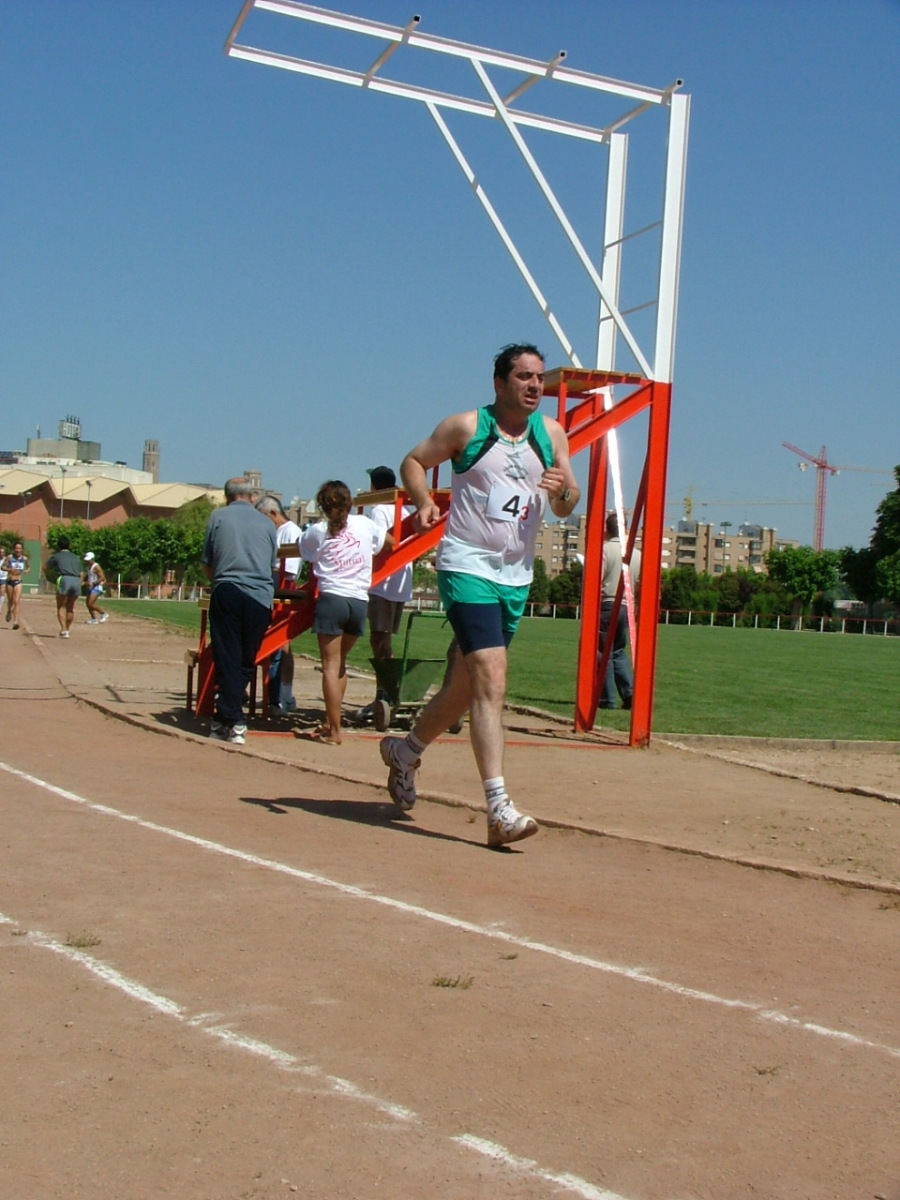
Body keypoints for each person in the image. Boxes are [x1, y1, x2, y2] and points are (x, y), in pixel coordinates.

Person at [380, 342, 579, 848]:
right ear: (499, 383)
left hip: (516, 575)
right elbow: (413, 461)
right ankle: (499, 809)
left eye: (539, 377)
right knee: (492, 677)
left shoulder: (551, 433)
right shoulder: (466, 427)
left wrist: (562, 491)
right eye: (524, 376)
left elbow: (566, 503)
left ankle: (405, 752)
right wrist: (423, 501)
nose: (534, 385)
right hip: (467, 564)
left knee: (465, 687)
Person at [300, 480, 385, 744]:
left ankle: (335, 730)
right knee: (340, 663)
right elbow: (387, 541)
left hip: (332, 599)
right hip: (359, 601)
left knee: (330, 666)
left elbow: (304, 551)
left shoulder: (318, 530)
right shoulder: (365, 524)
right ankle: (331, 722)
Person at [201, 477, 278, 746]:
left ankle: (229, 718)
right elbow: (271, 565)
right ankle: (231, 720)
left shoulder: (218, 517)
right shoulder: (267, 524)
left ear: (227, 496)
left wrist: (219, 580)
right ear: (252, 496)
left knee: (227, 656)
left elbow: (207, 561)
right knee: (246, 658)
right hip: (259, 596)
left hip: (228, 589)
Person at [363, 465, 415, 720]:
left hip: (383, 583)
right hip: (400, 584)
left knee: (379, 641)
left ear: (374, 486)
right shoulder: (405, 509)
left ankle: (384, 694)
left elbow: (379, 542)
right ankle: (386, 692)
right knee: (385, 641)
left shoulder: (379, 510)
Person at [255, 495, 303, 713]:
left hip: (282, 586)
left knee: (281, 645)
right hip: (273, 584)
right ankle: (278, 696)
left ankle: (282, 696)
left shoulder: (291, 531)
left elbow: (289, 570)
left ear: (274, 513)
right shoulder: (274, 531)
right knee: (280, 646)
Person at [599, 512, 642, 710]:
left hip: (607, 604)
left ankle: (607, 698)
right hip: (627, 606)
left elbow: (597, 578)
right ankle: (629, 692)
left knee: (603, 652)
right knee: (617, 650)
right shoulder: (636, 553)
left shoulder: (605, 549)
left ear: (607, 529)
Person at [44, 536, 83, 638]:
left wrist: (52, 575)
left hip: (65, 579)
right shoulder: (75, 557)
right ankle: (67, 630)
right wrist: (80, 583)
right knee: (70, 607)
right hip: (76, 580)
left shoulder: (57, 556)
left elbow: (45, 568)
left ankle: (63, 629)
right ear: (69, 545)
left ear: (59, 546)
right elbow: (81, 573)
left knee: (61, 606)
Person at [2, 541, 30, 630]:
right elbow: (2, 567)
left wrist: (27, 570)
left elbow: (28, 567)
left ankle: (15, 621)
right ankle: (9, 611)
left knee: (16, 601)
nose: (18, 550)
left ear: (22, 549)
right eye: (16, 548)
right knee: (10, 601)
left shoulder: (24, 559)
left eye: (19, 548)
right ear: (14, 549)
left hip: (18, 581)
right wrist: (9, 569)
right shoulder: (10, 557)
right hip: (10, 581)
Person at [83, 552, 109, 624]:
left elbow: (102, 577)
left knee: (90, 603)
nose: (87, 561)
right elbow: (89, 576)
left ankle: (103, 613)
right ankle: (93, 619)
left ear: (92, 559)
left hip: (97, 587)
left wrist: (94, 583)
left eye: (88, 560)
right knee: (88, 603)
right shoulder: (89, 567)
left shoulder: (96, 566)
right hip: (91, 587)